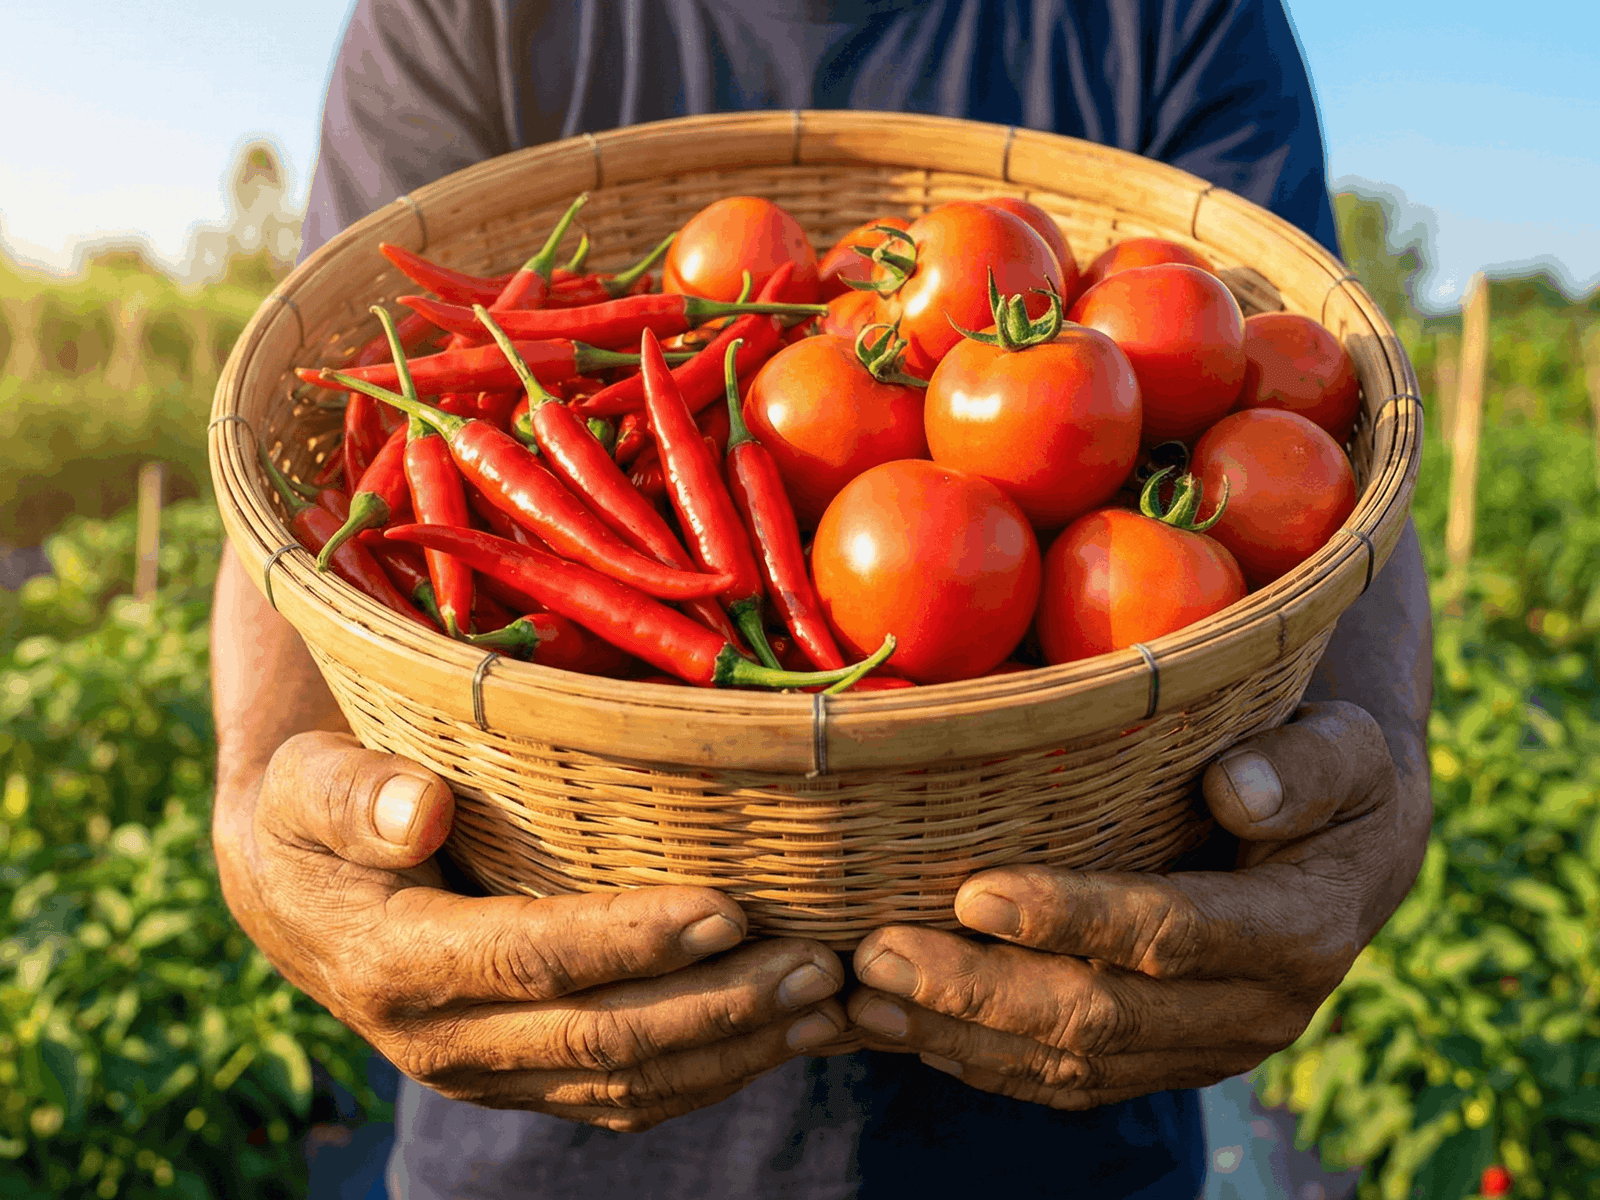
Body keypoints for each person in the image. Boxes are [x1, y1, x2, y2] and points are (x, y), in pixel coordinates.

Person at [211, 2, 1434, 1196]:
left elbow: (1320, 419)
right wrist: (256, 800)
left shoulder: (1177, 16)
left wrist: (1386, 782)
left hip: (1067, 1121)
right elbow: (338, 415)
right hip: (535, 1135)